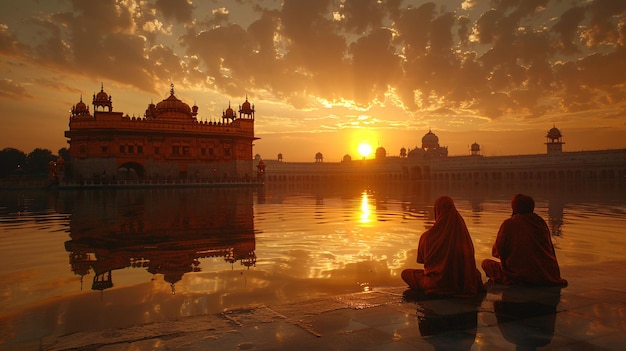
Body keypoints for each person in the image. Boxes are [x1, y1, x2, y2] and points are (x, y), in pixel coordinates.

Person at [401, 196, 484, 297]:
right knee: (475, 273)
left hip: (436, 284)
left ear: (437, 211)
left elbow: (422, 260)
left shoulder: (428, 236)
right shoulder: (462, 234)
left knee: (406, 274)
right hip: (461, 283)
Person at [482, 194, 567, 286]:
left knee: (486, 263)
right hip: (547, 275)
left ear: (514, 207)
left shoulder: (510, 223)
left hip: (519, 276)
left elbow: (497, 252)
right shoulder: (540, 222)